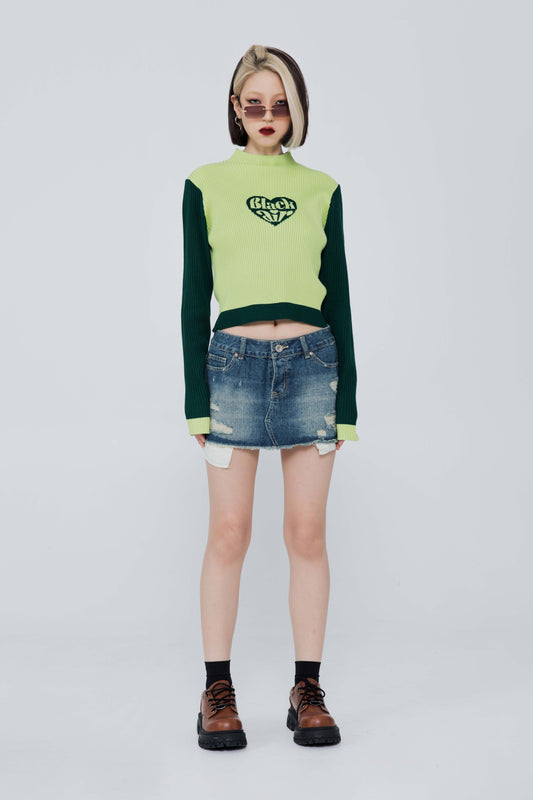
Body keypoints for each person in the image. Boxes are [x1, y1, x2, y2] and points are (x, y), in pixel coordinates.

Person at [181, 44, 359, 749]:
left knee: (306, 533)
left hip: (313, 364)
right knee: (229, 532)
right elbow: (194, 296)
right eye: (253, 103)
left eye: (279, 104)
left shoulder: (322, 188)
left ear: (296, 110)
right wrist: (195, 398)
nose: (266, 115)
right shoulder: (204, 185)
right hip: (232, 367)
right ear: (235, 108)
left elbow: (339, 296)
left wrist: (348, 403)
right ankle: (216, 691)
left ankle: (306, 688)